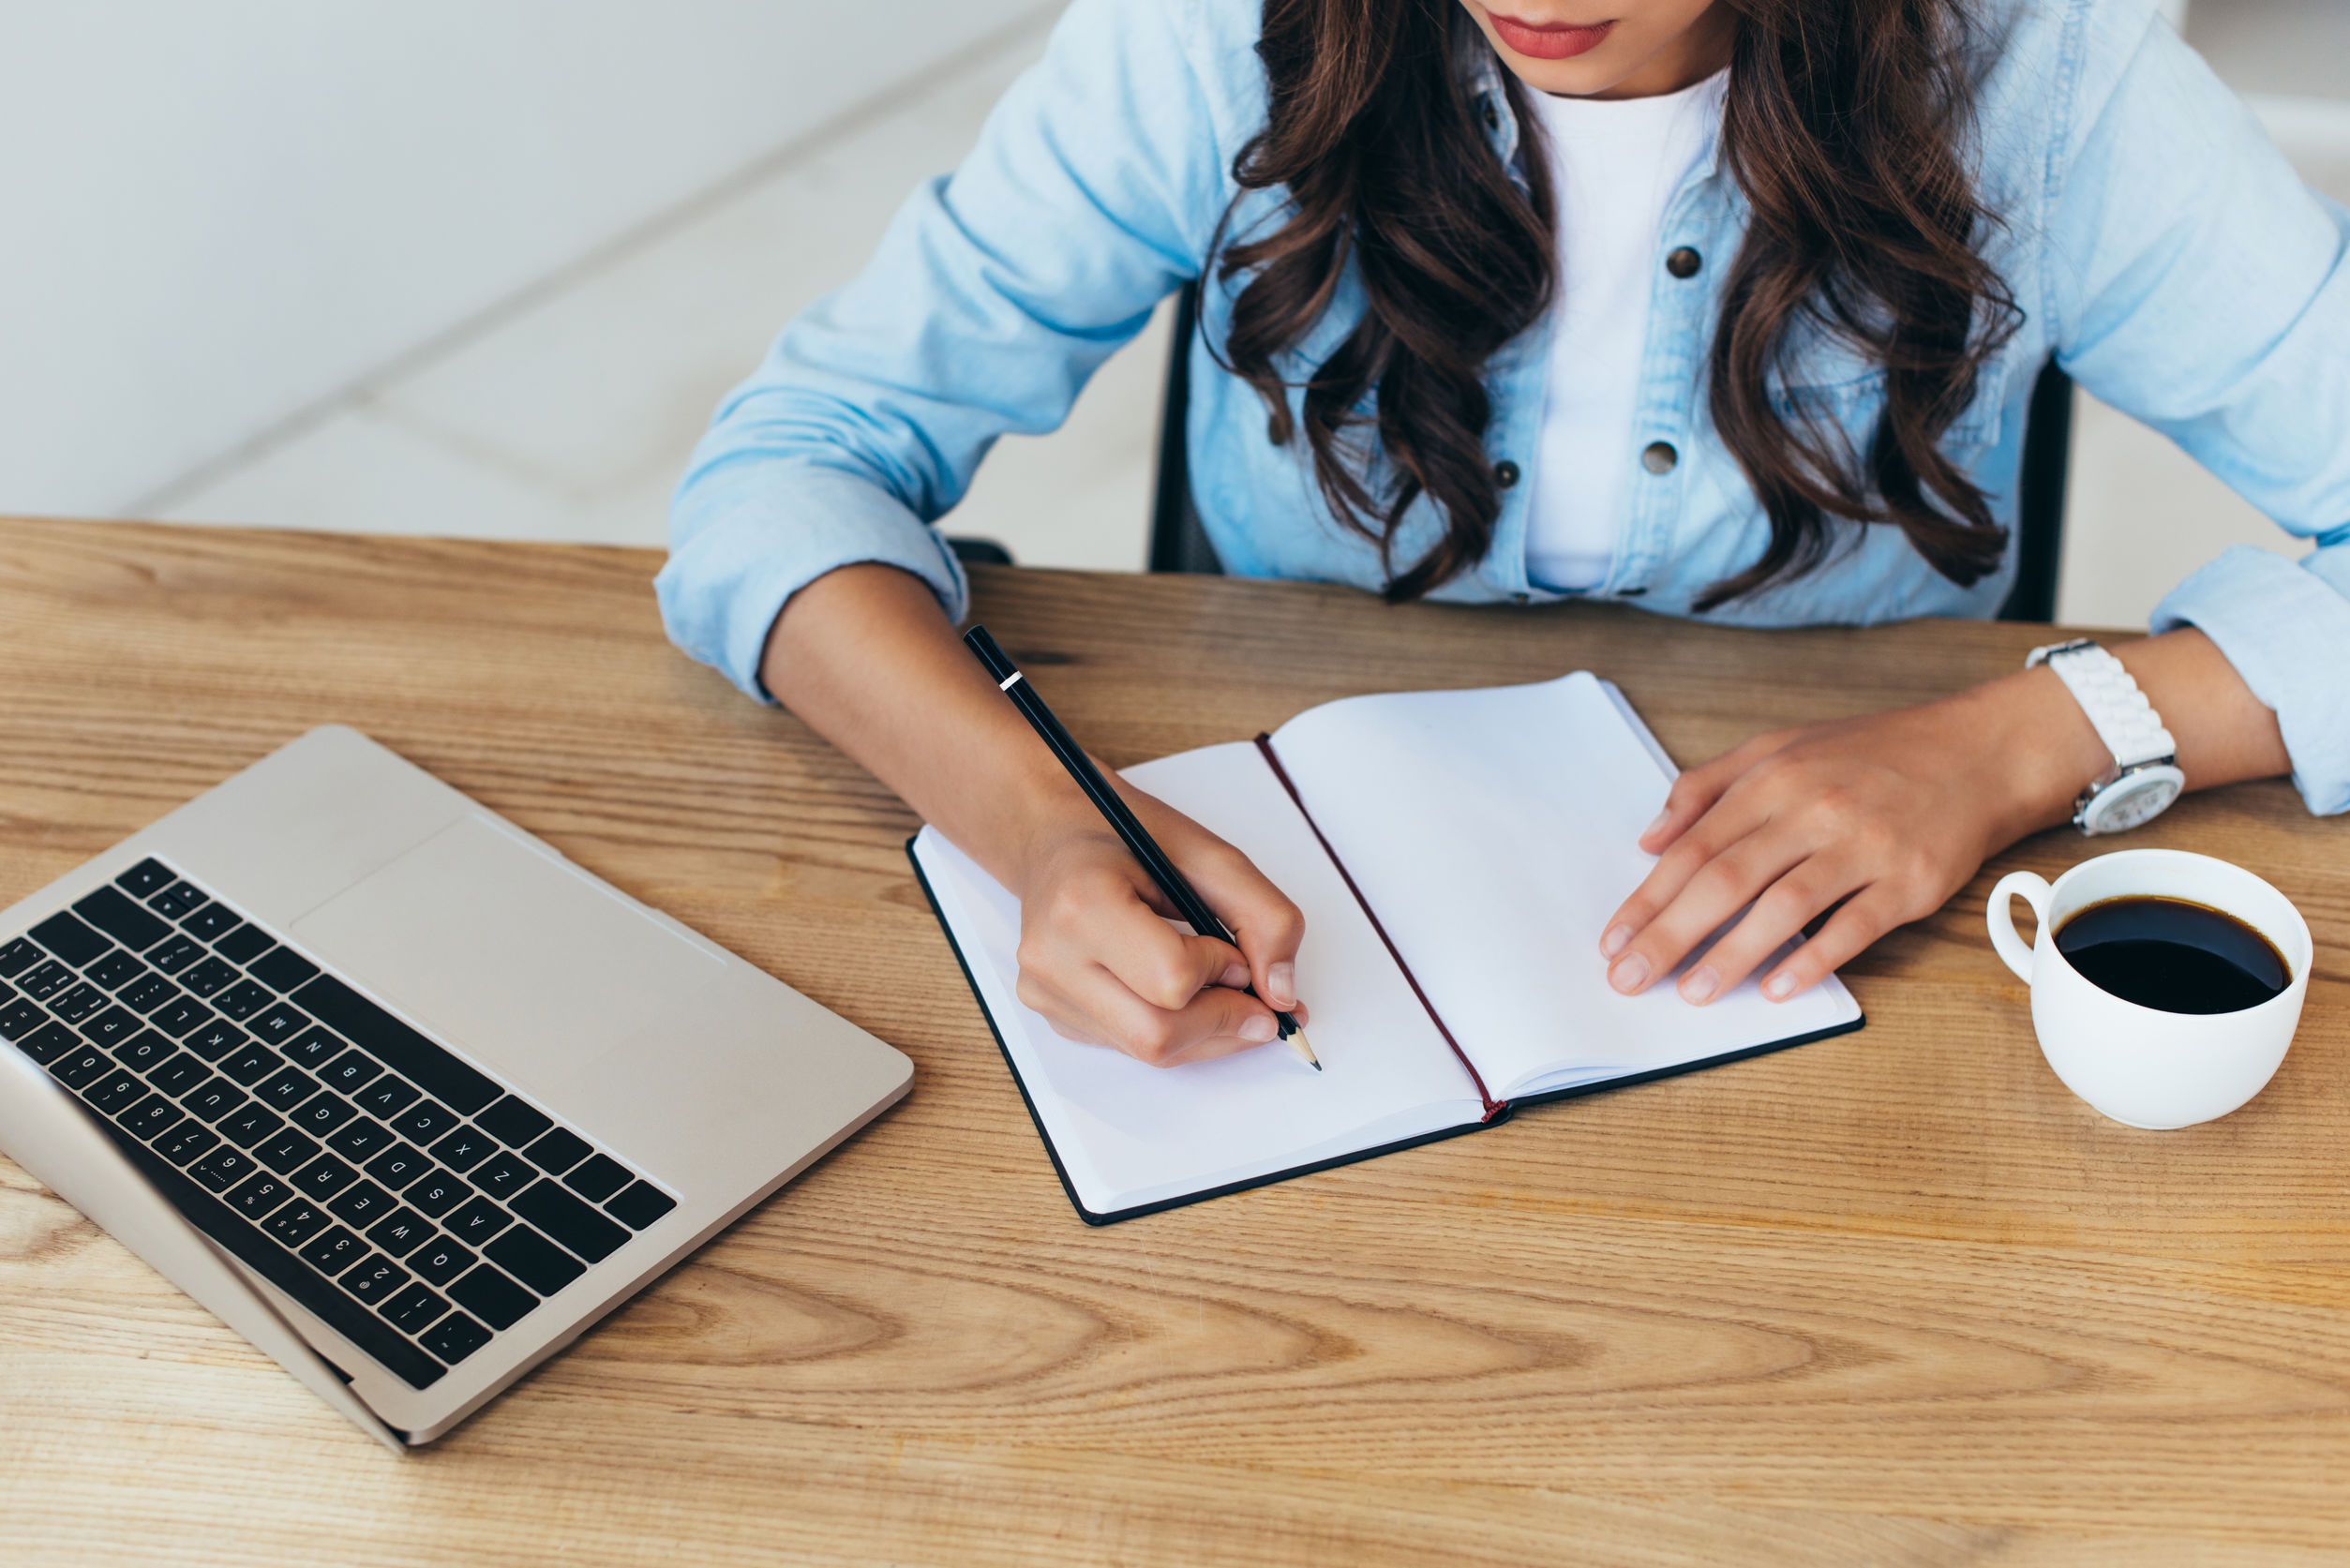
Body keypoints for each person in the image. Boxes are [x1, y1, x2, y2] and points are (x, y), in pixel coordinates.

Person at [658, 0, 2348, 1068]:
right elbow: (786, 472)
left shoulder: (2056, 85)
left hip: (1839, 999)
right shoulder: (1204, 33)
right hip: (1317, 944)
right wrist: (1042, 829)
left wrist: (2030, 737)